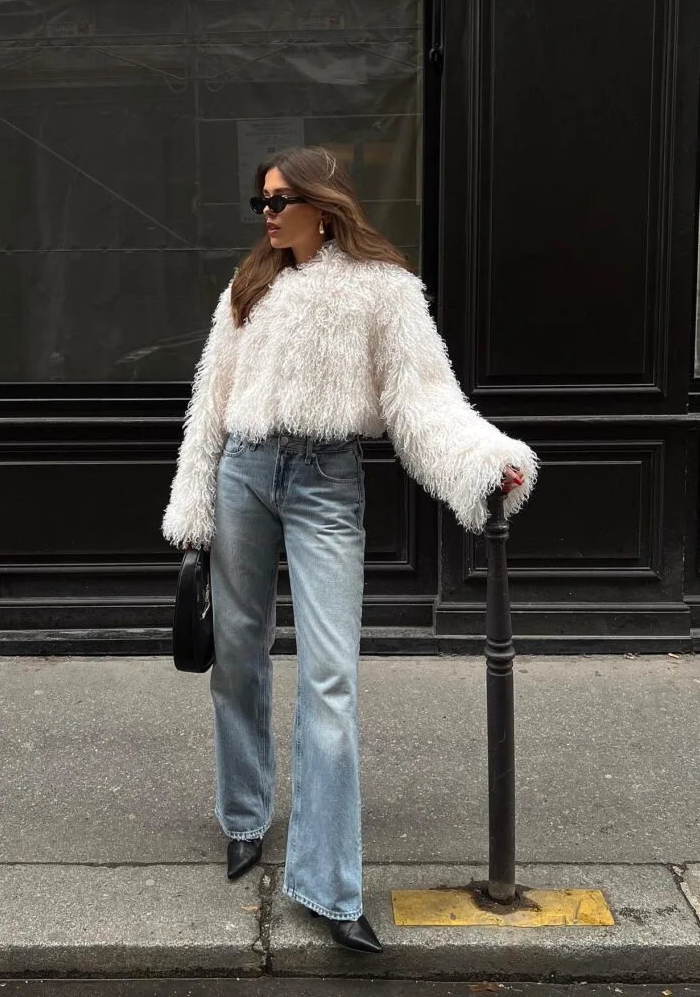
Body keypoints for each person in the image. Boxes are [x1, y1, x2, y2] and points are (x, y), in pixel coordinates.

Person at [162, 146, 537, 954]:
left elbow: (424, 397)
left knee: (329, 680)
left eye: (280, 200)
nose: (266, 214)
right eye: (259, 200)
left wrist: (483, 460)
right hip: (242, 472)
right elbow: (211, 400)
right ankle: (242, 815)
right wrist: (191, 505)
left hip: (325, 480)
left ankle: (328, 888)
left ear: (323, 205)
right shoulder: (248, 285)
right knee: (238, 653)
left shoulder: (383, 290)